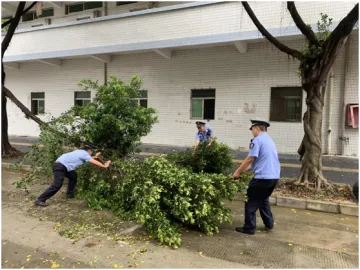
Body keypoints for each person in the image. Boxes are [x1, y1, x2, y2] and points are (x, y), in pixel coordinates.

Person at [233, 120, 280, 235]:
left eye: (252, 129)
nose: (251, 132)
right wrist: (244, 171)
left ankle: (249, 228)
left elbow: (250, 158)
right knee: (263, 200)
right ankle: (269, 223)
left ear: (256, 128)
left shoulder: (257, 140)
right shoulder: (269, 140)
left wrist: (237, 172)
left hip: (262, 178)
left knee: (250, 200)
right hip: (273, 177)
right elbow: (260, 162)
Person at [35, 143, 111, 207]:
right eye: (92, 151)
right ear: (89, 150)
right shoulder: (84, 154)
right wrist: (104, 166)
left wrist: (95, 157)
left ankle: (70, 194)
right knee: (57, 185)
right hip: (60, 167)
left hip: (62, 166)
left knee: (73, 175)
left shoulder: (80, 152)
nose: (92, 153)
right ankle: (40, 199)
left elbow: (90, 158)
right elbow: (93, 161)